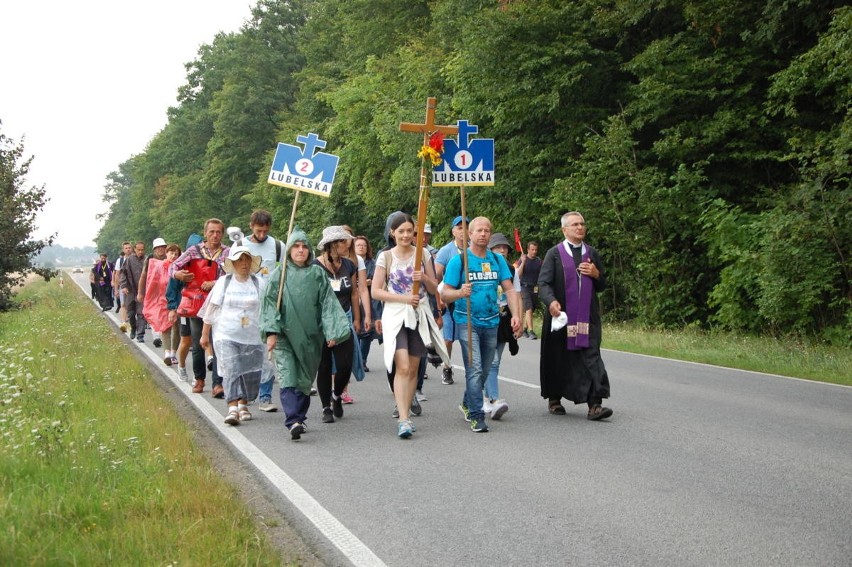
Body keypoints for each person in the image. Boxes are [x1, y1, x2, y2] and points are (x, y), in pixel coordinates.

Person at [259, 229, 350, 440]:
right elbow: (269, 304)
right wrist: (271, 332)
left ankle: (299, 418)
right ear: (289, 250)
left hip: (311, 337)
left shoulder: (317, 274)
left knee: (304, 380)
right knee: (288, 375)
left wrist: (332, 330)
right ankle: (292, 420)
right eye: (296, 246)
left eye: (304, 246)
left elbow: (328, 304)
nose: (300, 250)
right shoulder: (278, 276)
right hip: (285, 336)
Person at [441, 217, 521, 433]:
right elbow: (445, 294)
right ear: (470, 234)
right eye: (479, 230)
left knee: (484, 370)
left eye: (487, 230)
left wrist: (516, 315)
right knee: (475, 368)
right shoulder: (459, 261)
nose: (483, 234)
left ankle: (467, 401)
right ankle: (477, 415)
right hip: (467, 321)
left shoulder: (497, 260)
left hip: (492, 321)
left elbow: (510, 289)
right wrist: (459, 292)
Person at [372, 213, 448, 438]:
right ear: (392, 233)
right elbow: (376, 291)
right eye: (401, 231)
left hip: (419, 314)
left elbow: (435, 289)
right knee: (402, 365)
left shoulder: (423, 254)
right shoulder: (385, 257)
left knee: (413, 368)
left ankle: (407, 414)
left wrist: (424, 277)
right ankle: (403, 418)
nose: (406, 235)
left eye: (410, 231)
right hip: (395, 314)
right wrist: (404, 299)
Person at [538, 211, 613, 421]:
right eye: (574, 225)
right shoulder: (554, 254)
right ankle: (554, 399)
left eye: (582, 224)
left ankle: (595, 405)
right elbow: (543, 283)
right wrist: (551, 301)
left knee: (591, 358)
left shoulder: (592, 253)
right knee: (558, 358)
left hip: (587, 317)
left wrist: (596, 274)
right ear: (564, 229)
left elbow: (602, 284)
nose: (580, 227)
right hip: (560, 316)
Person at [199, 246, 264, 425]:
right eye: (240, 260)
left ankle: (244, 404)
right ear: (233, 263)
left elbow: (268, 309)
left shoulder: (258, 283)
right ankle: (232, 407)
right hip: (226, 334)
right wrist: (205, 334)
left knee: (250, 372)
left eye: (246, 260)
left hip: (253, 336)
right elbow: (211, 308)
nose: (243, 264)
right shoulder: (224, 282)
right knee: (232, 369)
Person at [170, 219, 230, 398]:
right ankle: (199, 378)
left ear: (223, 234)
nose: (215, 235)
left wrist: (215, 282)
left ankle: (218, 383)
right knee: (197, 342)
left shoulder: (228, 252)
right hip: (196, 301)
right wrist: (178, 274)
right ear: (205, 233)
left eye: (218, 232)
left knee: (217, 342)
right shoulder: (194, 251)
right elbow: (173, 265)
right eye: (211, 232)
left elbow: (234, 274)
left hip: (219, 302)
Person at [235, 210, 283, 413]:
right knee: (246, 350)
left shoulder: (277, 245)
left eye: (265, 231)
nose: (262, 235)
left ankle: (265, 395)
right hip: (245, 305)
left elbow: (286, 268)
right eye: (258, 230)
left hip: (269, 305)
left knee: (268, 351)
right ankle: (243, 396)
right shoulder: (239, 245)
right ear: (251, 226)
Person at [313, 226, 360, 424]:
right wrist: (324, 329)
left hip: (344, 321)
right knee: (324, 366)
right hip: (322, 323)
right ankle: (326, 407)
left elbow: (354, 293)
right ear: (332, 244)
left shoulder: (349, 265)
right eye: (342, 241)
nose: (346, 244)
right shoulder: (315, 267)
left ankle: (336, 395)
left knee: (344, 366)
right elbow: (313, 298)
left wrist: (357, 319)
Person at [483, 233, 521, 420]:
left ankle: (485, 396)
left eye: (505, 247)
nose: (502, 250)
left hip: (504, 319)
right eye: (498, 247)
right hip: (487, 317)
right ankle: (492, 398)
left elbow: (516, 294)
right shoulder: (485, 266)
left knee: (496, 361)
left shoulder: (511, 270)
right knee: (492, 360)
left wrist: (518, 317)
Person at [434, 215, 469, 385]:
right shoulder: (446, 251)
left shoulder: (474, 249)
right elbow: (436, 275)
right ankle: (446, 367)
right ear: (453, 231)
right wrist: (438, 298)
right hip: (449, 300)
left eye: (466, 227)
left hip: (470, 300)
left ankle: (473, 371)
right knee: (448, 338)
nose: (463, 231)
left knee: (469, 337)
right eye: (459, 228)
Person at [167, 234, 203, 382]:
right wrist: (172, 308)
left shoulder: (206, 264)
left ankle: (197, 375)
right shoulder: (180, 266)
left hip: (201, 308)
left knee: (200, 342)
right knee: (186, 341)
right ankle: (181, 366)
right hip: (185, 310)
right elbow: (171, 289)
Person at [143, 240, 180, 365]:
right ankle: (167, 353)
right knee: (165, 326)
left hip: (178, 301)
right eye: (171, 253)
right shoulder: (157, 265)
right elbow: (150, 281)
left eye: (176, 254)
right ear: (166, 253)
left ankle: (174, 353)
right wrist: (147, 296)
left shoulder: (181, 267)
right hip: (163, 300)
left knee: (177, 327)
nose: (173, 256)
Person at [354, 235, 378, 373]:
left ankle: (363, 360)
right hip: (354, 298)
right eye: (358, 245)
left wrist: (367, 282)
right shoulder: (349, 262)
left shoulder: (373, 263)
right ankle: (355, 359)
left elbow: (377, 278)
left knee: (368, 331)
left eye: (364, 245)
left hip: (370, 299)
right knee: (356, 329)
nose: (361, 247)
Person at [138, 238, 167, 348]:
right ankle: (156, 336)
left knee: (164, 313)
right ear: (154, 250)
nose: (160, 250)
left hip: (165, 290)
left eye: (162, 247)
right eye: (158, 248)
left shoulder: (169, 257)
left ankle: (164, 335)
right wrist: (140, 292)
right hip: (152, 290)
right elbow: (143, 276)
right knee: (152, 313)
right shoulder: (149, 259)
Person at [120, 241, 147, 342]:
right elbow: (123, 274)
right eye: (138, 250)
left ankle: (140, 335)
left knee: (141, 314)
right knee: (131, 313)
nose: (140, 252)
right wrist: (124, 286)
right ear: (134, 250)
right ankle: (133, 328)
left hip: (142, 291)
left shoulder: (147, 259)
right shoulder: (129, 260)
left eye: (142, 250)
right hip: (130, 290)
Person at [517, 240, 542, 339]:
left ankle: (524, 329)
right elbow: (518, 274)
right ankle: (531, 331)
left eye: (536, 250)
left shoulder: (539, 261)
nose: (534, 252)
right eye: (532, 250)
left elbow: (542, 275)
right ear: (528, 250)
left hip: (535, 288)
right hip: (524, 286)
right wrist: (523, 262)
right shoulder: (522, 259)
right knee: (529, 308)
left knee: (532, 308)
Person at [115, 242, 132, 331]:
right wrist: (116, 288)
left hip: (133, 286)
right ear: (123, 250)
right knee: (123, 304)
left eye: (129, 248)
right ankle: (124, 323)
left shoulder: (135, 259)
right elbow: (117, 275)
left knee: (133, 305)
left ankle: (133, 321)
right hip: (123, 285)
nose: (128, 249)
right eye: (126, 248)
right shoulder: (120, 261)